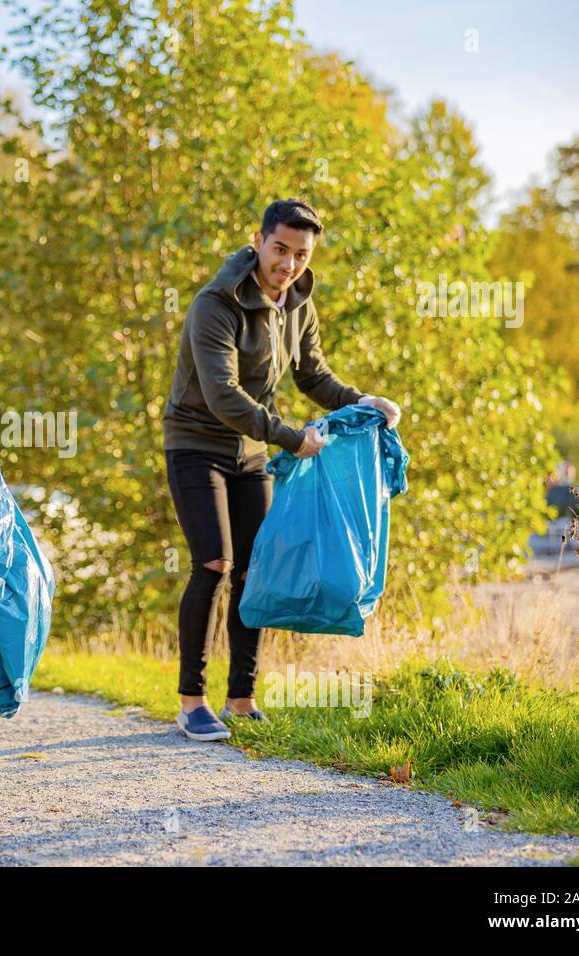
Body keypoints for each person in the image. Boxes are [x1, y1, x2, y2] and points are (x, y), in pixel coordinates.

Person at [161, 198, 401, 741]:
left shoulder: (297, 303)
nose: (288, 264)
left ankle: (241, 699)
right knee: (215, 564)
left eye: (300, 254)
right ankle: (192, 702)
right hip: (196, 444)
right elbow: (223, 396)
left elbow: (313, 375)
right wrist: (293, 439)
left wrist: (365, 401)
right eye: (280, 250)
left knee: (256, 569)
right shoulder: (214, 304)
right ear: (258, 241)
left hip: (252, 452)